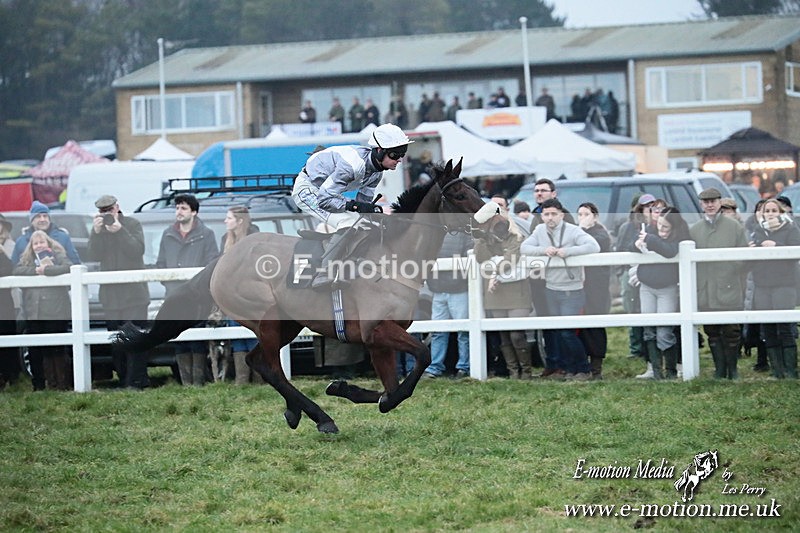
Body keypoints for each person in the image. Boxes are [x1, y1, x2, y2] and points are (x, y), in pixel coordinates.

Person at [291, 123, 413, 289]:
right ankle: (324, 273)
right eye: (394, 154)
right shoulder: (353, 166)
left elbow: (364, 207)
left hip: (325, 191)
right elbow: (325, 200)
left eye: (402, 154)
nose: (399, 159)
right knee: (347, 222)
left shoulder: (377, 173)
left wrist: (381, 217)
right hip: (308, 191)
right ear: (379, 150)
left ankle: (350, 266)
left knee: (364, 224)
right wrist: (356, 207)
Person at [521, 199, 600, 380]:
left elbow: (594, 246)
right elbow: (524, 248)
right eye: (546, 214)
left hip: (572, 290)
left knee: (567, 332)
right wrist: (543, 250)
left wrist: (569, 251)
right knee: (557, 332)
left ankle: (583, 368)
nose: (550, 218)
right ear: (542, 216)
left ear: (561, 215)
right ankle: (569, 369)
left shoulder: (573, 230)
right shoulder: (540, 230)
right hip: (551, 288)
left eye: (554, 214)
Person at [87, 194, 151, 389]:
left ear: (117, 207)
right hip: (111, 297)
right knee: (117, 343)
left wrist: (120, 231)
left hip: (134, 295)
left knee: (136, 340)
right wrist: (96, 233)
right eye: (103, 211)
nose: (107, 214)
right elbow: (93, 255)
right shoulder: (99, 230)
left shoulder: (131, 224)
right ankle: (124, 380)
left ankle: (138, 381)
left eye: (110, 210)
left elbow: (136, 251)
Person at [156, 193, 219, 385]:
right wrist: (169, 284)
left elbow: (212, 262)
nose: (178, 212)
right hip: (174, 296)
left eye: (183, 208)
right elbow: (161, 264)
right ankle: (186, 383)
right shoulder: (167, 234)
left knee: (197, 340)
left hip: (197, 296)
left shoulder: (206, 234)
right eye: (177, 208)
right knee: (179, 339)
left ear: (194, 211)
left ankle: (198, 383)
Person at [690, 187, 749, 379]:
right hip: (706, 288)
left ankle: (733, 370)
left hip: (728, 285)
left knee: (732, 330)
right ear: (701, 204)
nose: (710, 205)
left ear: (719, 203)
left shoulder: (734, 227)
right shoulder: (695, 229)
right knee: (712, 331)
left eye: (713, 201)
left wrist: (731, 269)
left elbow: (744, 257)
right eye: (706, 202)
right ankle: (719, 370)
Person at [474, 196, 533, 379]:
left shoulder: (516, 233)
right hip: (496, 291)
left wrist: (493, 273)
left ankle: (527, 371)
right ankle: (513, 372)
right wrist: (481, 237)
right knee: (503, 336)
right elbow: (480, 258)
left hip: (516, 290)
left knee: (516, 334)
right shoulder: (488, 237)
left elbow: (512, 259)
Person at [634, 207, 690, 380]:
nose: (661, 230)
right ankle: (655, 370)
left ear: (674, 227)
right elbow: (629, 245)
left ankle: (671, 371)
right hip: (647, 286)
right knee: (648, 329)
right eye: (659, 225)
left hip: (667, 288)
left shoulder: (681, 237)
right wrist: (637, 245)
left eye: (666, 227)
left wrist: (650, 240)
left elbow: (670, 251)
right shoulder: (649, 231)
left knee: (665, 331)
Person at [13, 230, 72, 390]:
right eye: (36, 243)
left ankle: (61, 383)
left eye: (42, 242)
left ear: (48, 243)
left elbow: (69, 267)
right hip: (34, 311)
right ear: (31, 247)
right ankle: (40, 384)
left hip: (56, 310)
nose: (39, 246)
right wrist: (35, 270)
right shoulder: (26, 260)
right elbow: (17, 271)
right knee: (36, 350)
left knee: (57, 348)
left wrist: (47, 270)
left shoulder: (58, 254)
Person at [748, 198, 800, 379]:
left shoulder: (791, 229)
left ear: (780, 212)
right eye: (766, 210)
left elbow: (795, 253)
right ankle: (777, 371)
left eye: (773, 210)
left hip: (784, 284)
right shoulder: (757, 230)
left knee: (784, 326)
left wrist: (776, 246)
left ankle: (791, 371)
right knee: (767, 326)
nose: (770, 214)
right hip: (762, 283)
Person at [220, 206, 262, 384]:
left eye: (229, 218)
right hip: (233, 295)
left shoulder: (256, 238)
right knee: (237, 334)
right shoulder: (226, 239)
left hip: (252, 295)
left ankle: (261, 377)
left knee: (255, 333)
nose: (225, 221)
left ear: (240, 220)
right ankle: (242, 378)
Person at [423, 231, 473, 379]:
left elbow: (469, 259)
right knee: (439, 331)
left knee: (463, 331)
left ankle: (463, 366)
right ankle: (436, 367)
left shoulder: (464, 234)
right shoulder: (433, 234)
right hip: (438, 289)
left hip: (457, 289)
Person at [577, 202, 611, 380]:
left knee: (595, 325)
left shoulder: (601, 234)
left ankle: (597, 367)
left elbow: (593, 245)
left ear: (595, 217)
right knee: (582, 327)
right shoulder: (578, 233)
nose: (582, 218)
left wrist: (580, 231)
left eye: (586, 214)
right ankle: (584, 366)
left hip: (596, 287)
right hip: (580, 285)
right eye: (580, 215)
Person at [11, 201, 81, 266]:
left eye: (45, 216)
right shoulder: (21, 241)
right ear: (32, 220)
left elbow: (75, 263)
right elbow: (14, 267)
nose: (42, 219)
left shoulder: (63, 237)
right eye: (38, 216)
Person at [0, 214, 19, 388]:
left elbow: (10, 268)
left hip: (6, 299)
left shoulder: (10, 246)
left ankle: (11, 375)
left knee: (7, 333)